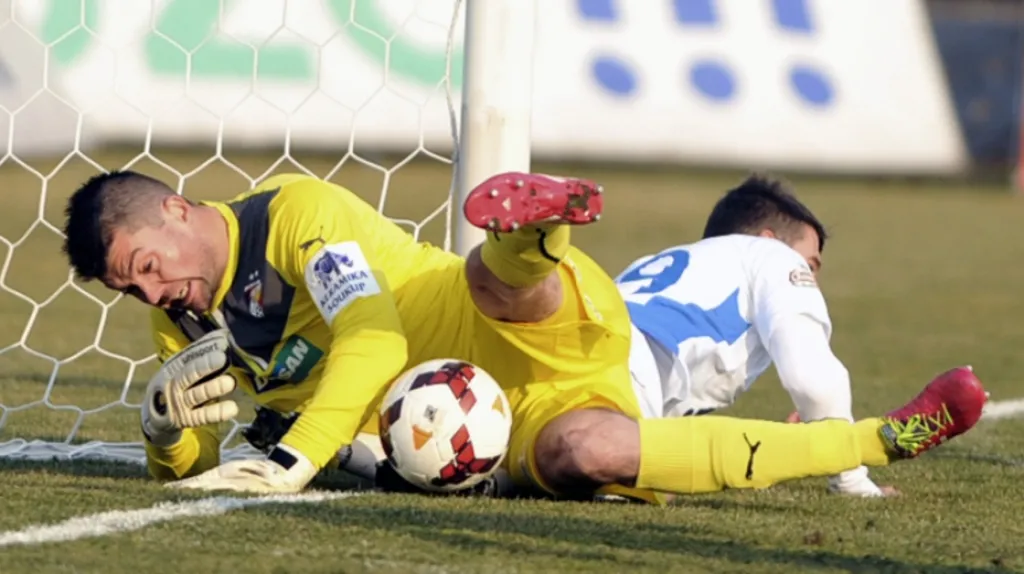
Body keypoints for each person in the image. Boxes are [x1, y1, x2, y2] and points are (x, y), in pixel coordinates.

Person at [61, 169, 987, 500]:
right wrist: (162, 431)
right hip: (490, 418)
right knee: (593, 454)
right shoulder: (179, 317)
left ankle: (537, 232)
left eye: (145, 264)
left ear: (176, 208)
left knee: (485, 279)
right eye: (128, 287)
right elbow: (196, 465)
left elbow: (374, 342)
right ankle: (886, 436)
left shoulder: (295, 213)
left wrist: (294, 458)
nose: (150, 290)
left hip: (486, 326)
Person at [618, 174, 898, 498]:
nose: (813, 283)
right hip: (627, 372)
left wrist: (784, 444)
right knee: (630, 480)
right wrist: (850, 479)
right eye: (810, 265)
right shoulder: (773, 255)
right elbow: (814, 379)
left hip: (581, 354)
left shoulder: (658, 264)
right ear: (769, 240)